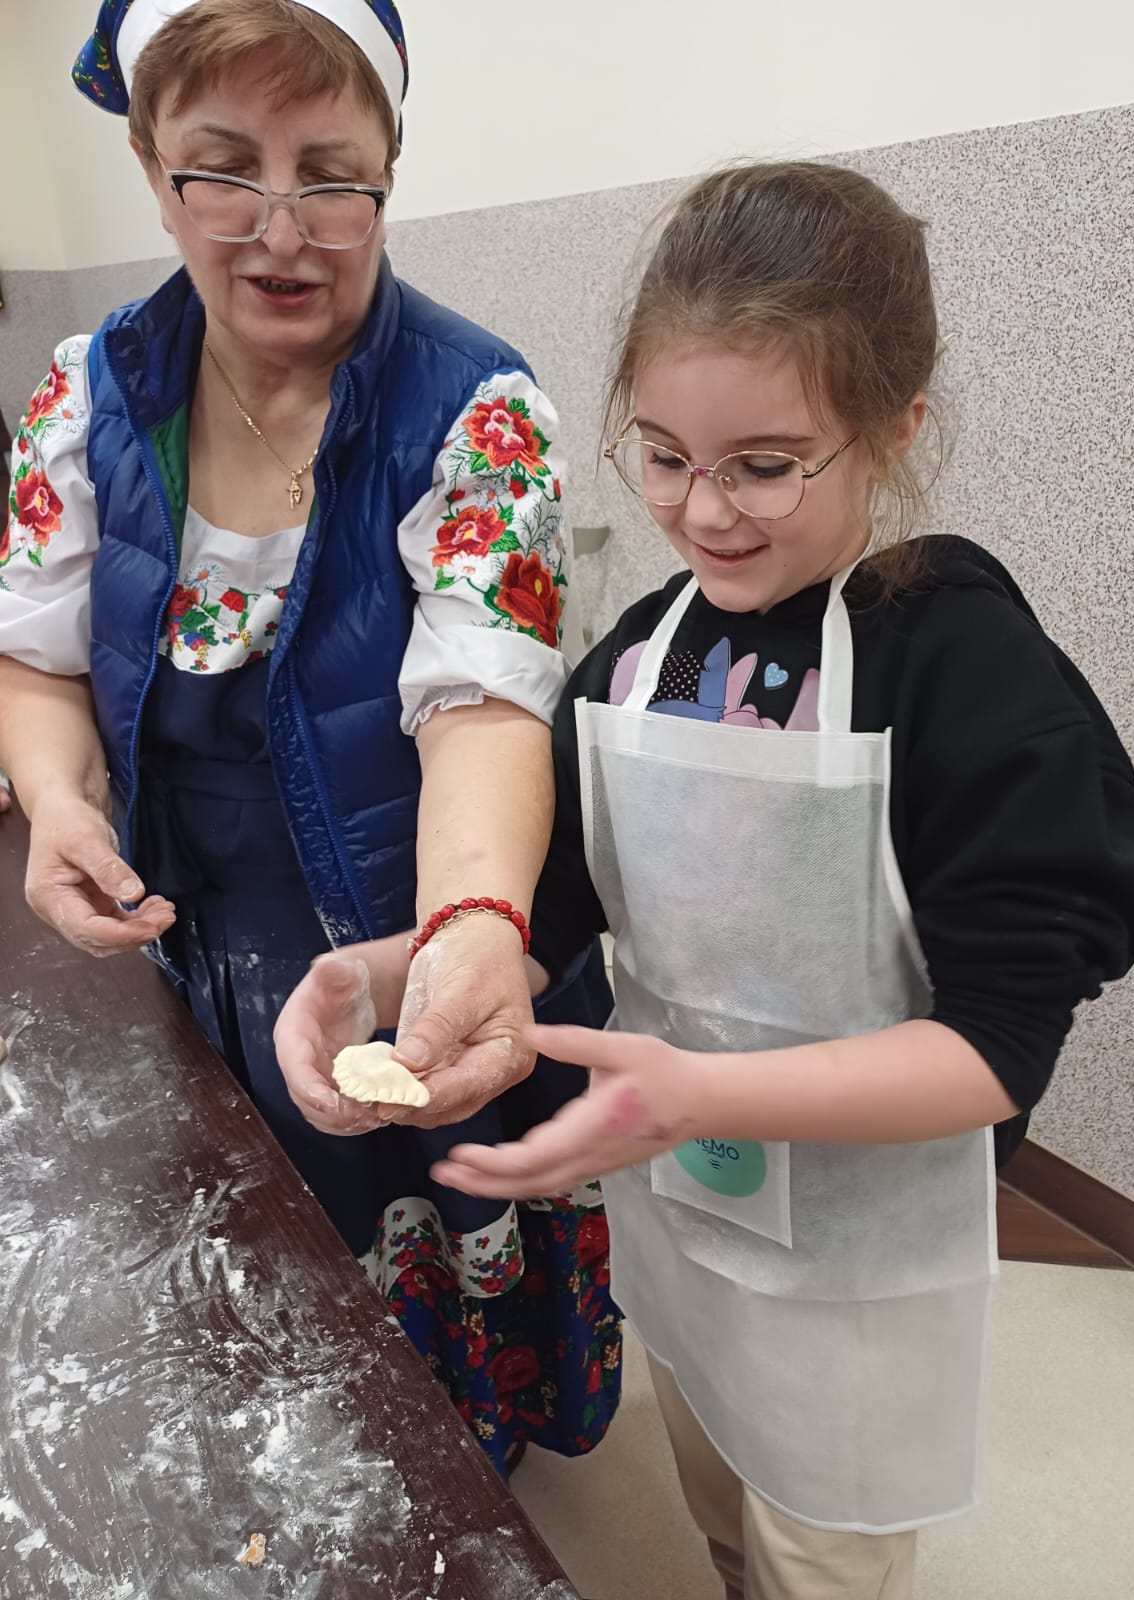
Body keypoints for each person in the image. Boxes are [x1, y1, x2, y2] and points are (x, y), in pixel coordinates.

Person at [433, 162, 1134, 1594]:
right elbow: (562, 898)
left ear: (895, 428)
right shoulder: (655, 655)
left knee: (819, 1550)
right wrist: (441, 968)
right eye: (663, 455)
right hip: (683, 1207)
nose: (704, 513)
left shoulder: (965, 672)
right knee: (717, 1482)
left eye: (765, 466)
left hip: (856, 1255)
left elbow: (993, 1050)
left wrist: (701, 1096)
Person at [0, 0, 618, 1475]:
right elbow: (35, 659)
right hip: (196, 956)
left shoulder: (475, 409)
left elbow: (481, 707)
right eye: (223, 170)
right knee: (260, 1314)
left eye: (333, 178)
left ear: (390, 170)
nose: (282, 233)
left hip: (399, 949)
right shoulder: (91, 398)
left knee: (431, 1282)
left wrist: (471, 925)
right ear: (151, 166)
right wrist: (59, 803)